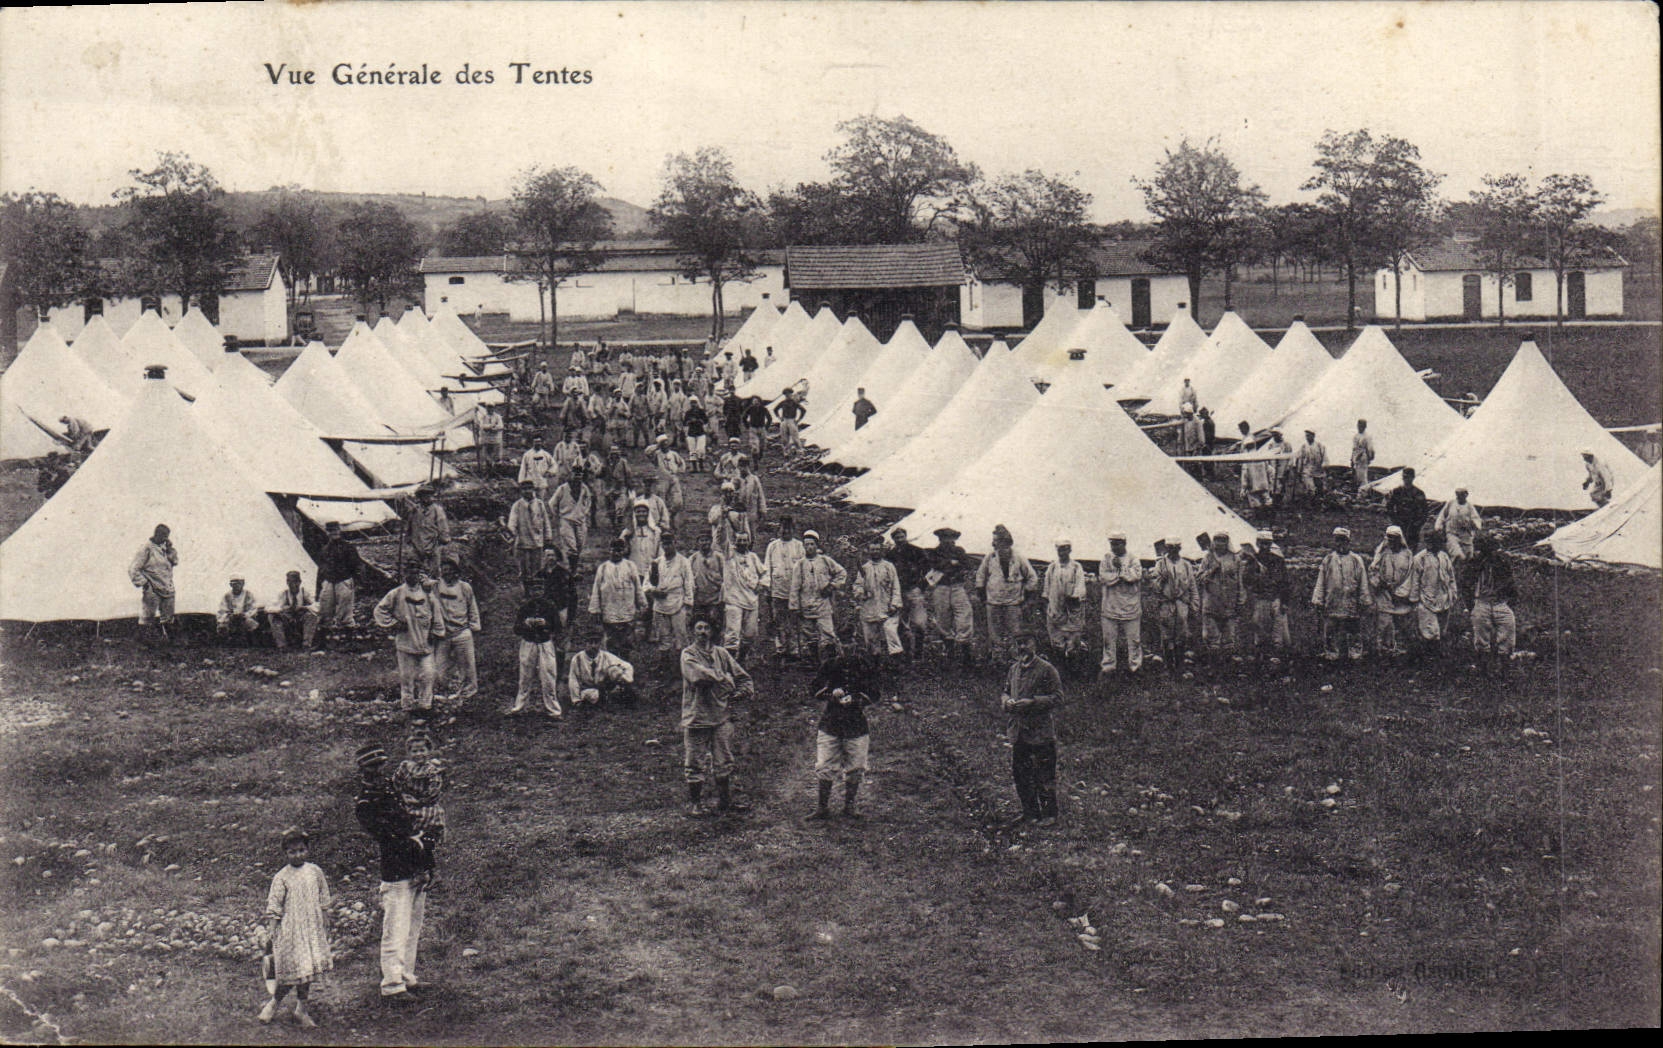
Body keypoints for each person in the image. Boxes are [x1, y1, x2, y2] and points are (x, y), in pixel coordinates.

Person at [353, 744, 433, 1000]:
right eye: (371, 767)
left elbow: (410, 821)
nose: (377, 771)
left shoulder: (390, 788)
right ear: (362, 771)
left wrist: (424, 862)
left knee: (412, 926)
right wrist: (416, 850)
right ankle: (392, 984)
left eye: (380, 765)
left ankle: (407, 976)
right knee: (395, 928)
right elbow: (389, 836)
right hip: (397, 866)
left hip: (414, 861)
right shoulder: (365, 802)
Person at [679, 619, 755, 817]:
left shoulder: (721, 653)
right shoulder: (688, 654)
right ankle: (696, 804)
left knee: (724, 760)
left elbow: (743, 677)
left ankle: (725, 802)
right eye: (699, 628)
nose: (703, 632)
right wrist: (723, 678)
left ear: (713, 631)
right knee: (695, 761)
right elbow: (698, 676)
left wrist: (740, 691)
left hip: (721, 716)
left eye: (707, 628)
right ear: (693, 631)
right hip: (696, 717)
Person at [258, 829, 332, 1027]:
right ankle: (274, 1003)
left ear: (307, 849)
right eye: (292, 852)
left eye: (301, 850)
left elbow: (324, 895)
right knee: (290, 972)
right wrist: (272, 929)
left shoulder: (315, 871)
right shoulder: (282, 877)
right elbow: (274, 905)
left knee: (306, 971)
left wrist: (325, 916)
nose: (297, 855)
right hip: (291, 930)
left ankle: (302, 1008)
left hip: (311, 928)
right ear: (286, 853)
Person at [1001, 631, 1061, 827]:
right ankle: (1030, 812)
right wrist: (1007, 702)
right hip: (1019, 732)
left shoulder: (1047, 670)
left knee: (1044, 775)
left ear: (1035, 644)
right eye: (1018, 643)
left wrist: (1033, 702)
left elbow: (1058, 697)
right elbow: (1006, 691)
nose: (1021, 647)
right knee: (1021, 775)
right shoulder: (1014, 669)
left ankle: (1049, 814)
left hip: (1041, 732)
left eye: (1025, 643)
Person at [808, 651, 877, 820]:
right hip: (831, 722)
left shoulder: (864, 665)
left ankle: (849, 806)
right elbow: (814, 689)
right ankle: (822, 807)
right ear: (838, 643)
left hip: (855, 723)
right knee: (825, 764)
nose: (848, 647)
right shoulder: (829, 665)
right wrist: (831, 694)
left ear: (855, 641)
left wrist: (856, 699)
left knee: (856, 764)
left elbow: (875, 692)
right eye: (844, 642)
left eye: (851, 641)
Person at [373, 565, 444, 714]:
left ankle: (426, 705)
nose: (413, 575)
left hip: (425, 641)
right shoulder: (397, 593)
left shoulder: (427, 594)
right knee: (406, 676)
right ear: (405, 574)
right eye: (410, 572)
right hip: (406, 641)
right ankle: (407, 706)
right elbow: (380, 610)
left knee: (429, 673)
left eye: (416, 572)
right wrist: (393, 623)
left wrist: (435, 632)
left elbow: (437, 613)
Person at [509, 570, 568, 719]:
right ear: (530, 591)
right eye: (534, 589)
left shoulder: (550, 606)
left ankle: (554, 710)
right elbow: (516, 629)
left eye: (540, 589)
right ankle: (519, 707)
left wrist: (546, 624)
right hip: (528, 644)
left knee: (548, 676)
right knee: (525, 676)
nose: (537, 592)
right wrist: (525, 624)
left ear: (544, 590)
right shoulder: (525, 607)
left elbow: (558, 628)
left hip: (545, 644)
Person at [977, 527, 1039, 664]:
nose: (997, 546)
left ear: (1008, 543)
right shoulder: (990, 558)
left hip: (1013, 602)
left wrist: (1027, 596)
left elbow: (1032, 577)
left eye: (1000, 542)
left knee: (1015, 632)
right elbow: (980, 577)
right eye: (995, 543)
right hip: (993, 602)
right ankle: (997, 658)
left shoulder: (1019, 558)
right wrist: (982, 596)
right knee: (994, 632)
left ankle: (1016, 659)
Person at [1311, 527, 1370, 660]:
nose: (1340, 544)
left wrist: (1363, 599)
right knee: (1331, 629)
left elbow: (1363, 581)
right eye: (1337, 541)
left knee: (1354, 628)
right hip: (1333, 600)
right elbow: (1321, 581)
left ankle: (1355, 653)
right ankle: (1331, 654)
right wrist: (1319, 599)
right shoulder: (1328, 559)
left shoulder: (1356, 560)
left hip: (1351, 601)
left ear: (1348, 542)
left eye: (1343, 541)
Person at [791, 530, 848, 664]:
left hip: (823, 604)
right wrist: (795, 606)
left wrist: (831, 586)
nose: (809, 547)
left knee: (827, 633)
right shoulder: (799, 565)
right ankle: (814, 662)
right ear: (803, 547)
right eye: (806, 545)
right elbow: (795, 587)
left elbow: (842, 573)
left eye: (812, 544)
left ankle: (834, 661)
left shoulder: (825, 560)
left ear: (816, 545)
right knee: (810, 635)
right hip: (806, 604)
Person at [392, 730, 447, 871]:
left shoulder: (431, 770)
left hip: (425, 805)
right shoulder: (405, 767)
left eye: (422, 750)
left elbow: (434, 790)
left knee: (427, 824)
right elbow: (396, 782)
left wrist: (421, 801)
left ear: (429, 751)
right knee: (404, 827)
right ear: (409, 753)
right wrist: (403, 795)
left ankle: (427, 855)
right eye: (414, 751)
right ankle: (411, 857)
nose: (418, 754)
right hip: (408, 803)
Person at [1465, 532, 1517, 676]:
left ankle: (1504, 671)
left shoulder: (1502, 563)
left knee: (1507, 636)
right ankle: (1484, 671)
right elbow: (1466, 583)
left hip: (1500, 603)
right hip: (1482, 602)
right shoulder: (1476, 563)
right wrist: (1471, 605)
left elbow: (1511, 584)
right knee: (1481, 639)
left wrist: (1509, 602)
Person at [432, 560, 481, 706]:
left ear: (455, 571)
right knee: (440, 666)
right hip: (443, 634)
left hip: (462, 631)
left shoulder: (464, 587)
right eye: (443, 570)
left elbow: (472, 607)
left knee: (467, 665)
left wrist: (474, 626)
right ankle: (445, 692)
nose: (446, 572)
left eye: (449, 570)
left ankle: (468, 693)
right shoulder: (435, 586)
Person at [647, 531, 696, 670]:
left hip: (678, 603)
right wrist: (653, 590)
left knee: (681, 635)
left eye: (670, 543)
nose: (667, 546)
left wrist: (688, 604)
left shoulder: (683, 562)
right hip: (660, 604)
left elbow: (689, 583)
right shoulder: (656, 562)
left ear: (675, 543)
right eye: (665, 543)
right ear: (661, 545)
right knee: (663, 635)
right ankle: (664, 664)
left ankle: (685, 664)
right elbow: (647, 582)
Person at [1407, 524, 1459, 654]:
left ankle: (1438, 657)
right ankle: (1430, 657)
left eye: (1434, 542)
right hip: (1427, 600)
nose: (1430, 545)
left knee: (1441, 630)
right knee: (1431, 632)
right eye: (1428, 542)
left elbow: (1451, 576)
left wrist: (1453, 593)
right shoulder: (1420, 558)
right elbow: (1415, 580)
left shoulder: (1444, 557)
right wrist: (1414, 600)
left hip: (1444, 599)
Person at [589, 537, 646, 655]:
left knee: (627, 643)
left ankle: (625, 666)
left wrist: (642, 604)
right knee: (612, 643)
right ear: (609, 550)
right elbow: (596, 590)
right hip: (609, 612)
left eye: (619, 550)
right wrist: (595, 610)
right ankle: (613, 667)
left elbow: (638, 587)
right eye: (614, 550)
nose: (616, 553)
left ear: (624, 551)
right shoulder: (603, 568)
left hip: (627, 611)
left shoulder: (630, 566)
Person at [1097, 532, 1143, 676]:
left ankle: (1135, 667)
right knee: (1108, 640)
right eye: (1112, 544)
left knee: (1134, 640)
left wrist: (1120, 570)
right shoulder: (1106, 558)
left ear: (1124, 543)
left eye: (1117, 544)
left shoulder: (1133, 559)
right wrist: (1120, 576)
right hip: (1110, 606)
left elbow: (1135, 576)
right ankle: (1108, 667)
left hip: (1130, 607)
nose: (1114, 547)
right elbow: (1104, 577)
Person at [852, 538, 904, 664]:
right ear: (869, 551)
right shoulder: (864, 568)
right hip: (869, 607)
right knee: (871, 637)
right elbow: (857, 586)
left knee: (890, 632)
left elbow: (896, 586)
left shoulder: (888, 566)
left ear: (881, 550)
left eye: (877, 549)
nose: (875, 552)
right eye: (872, 549)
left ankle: (896, 662)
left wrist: (895, 603)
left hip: (887, 606)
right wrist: (861, 593)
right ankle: (875, 663)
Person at [930, 527, 976, 665]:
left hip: (957, 586)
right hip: (941, 587)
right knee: (943, 618)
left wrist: (952, 565)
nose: (948, 541)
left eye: (951, 538)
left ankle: (965, 653)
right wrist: (951, 563)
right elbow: (934, 564)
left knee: (964, 616)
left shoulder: (959, 551)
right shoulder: (935, 552)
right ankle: (949, 653)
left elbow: (968, 564)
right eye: (945, 538)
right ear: (940, 539)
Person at [1151, 537, 1199, 665]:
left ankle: (1179, 663)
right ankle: (1168, 663)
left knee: (1181, 633)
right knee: (1166, 633)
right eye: (1170, 547)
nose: (1173, 550)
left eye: (1175, 547)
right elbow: (1155, 587)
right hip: (1166, 603)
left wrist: (1194, 604)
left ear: (1180, 548)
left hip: (1182, 602)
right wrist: (1162, 579)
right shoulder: (1161, 564)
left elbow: (1192, 585)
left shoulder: (1186, 565)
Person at [1241, 531, 1291, 654]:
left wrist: (1285, 602)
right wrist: (1255, 573)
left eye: (1267, 544)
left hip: (1276, 599)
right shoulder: (1252, 561)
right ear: (1258, 544)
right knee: (1260, 629)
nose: (1265, 546)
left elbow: (1285, 582)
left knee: (1278, 631)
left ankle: (1277, 656)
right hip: (1260, 599)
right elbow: (1246, 580)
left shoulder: (1278, 560)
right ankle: (1261, 656)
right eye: (1262, 543)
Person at [1196, 532, 1245, 655]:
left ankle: (1228, 666)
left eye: (1223, 541)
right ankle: (1214, 663)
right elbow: (1199, 579)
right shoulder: (1208, 558)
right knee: (1212, 639)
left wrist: (1240, 600)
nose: (1220, 543)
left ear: (1227, 542)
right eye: (1217, 540)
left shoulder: (1235, 559)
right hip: (1211, 602)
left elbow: (1240, 581)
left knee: (1229, 638)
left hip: (1229, 603)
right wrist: (1212, 570)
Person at [887, 527, 932, 660]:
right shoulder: (890, 555)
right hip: (898, 592)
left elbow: (929, 570)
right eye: (897, 538)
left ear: (906, 536)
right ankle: (907, 654)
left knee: (919, 623)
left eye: (902, 537)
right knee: (902, 624)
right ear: (893, 539)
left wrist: (922, 586)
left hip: (914, 590)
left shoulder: (916, 551)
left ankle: (919, 653)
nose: (900, 540)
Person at [763, 515, 806, 659]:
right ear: (779, 529)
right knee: (778, 619)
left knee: (794, 620)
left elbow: (803, 568)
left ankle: (794, 650)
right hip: (777, 589)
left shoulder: (799, 546)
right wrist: (767, 587)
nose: (785, 531)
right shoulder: (772, 546)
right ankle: (780, 649)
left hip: (794, 590)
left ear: (793, 530)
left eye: (788, 528)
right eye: (783, 528)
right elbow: (767, 567)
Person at [721, 531, 768, 659]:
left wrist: (761, 585)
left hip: (751, 601)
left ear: (748, 542)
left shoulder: (753, 557)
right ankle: (729, 664)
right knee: (732, 635)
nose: (742, 543)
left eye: (744, 540)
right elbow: (722, 538)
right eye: (739, 540)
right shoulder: (729, 555)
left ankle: (741, 659)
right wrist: (723, 518)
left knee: (750, 634)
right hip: (734, 600)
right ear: (735, 542)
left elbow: (765, 573)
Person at [1370, 525, 1415, 656]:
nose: (1392, 541)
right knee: (1385, 622)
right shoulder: (1382, 553)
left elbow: (1410, 575)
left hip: (1401, 594)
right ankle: (1384, 650)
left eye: (1395, 538)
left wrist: (1400, 592)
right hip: (1384, 594)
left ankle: (1402, 650)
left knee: (1402, 622)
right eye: (1389, 538)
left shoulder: (1407, 555)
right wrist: (1380, 584)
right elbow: (1373, 570)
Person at [1042, 539, 1087, 661]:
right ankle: (1060, 662)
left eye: (1065, 548)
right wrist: (1048, 603)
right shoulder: (1052, 567)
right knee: (1057, 640)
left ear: (1070, 550)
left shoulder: (1076, 567)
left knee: (1073, 639)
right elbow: (1047, 588)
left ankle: (1073, 662)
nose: (1062, 552)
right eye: (1060, 549)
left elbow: (1080, 586)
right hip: (1055, 608)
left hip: (1072, 609)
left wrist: (1074, 597)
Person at [505, 481, 555, 590]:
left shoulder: (539, 504)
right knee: (524, 568)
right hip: (522, 542)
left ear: (533, 490)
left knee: (537, 567)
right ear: (521, 491)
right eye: (524, 489)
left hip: (537, 542)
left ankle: (536, 590)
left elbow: (545, 521)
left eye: (529, 488)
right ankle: (527, 590)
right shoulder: (517, 506)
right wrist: (511, 533)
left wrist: (548, 536)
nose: (527, 491)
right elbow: (512, 522)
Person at [129, 523, 179, 634]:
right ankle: (145, 642)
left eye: (167, 536)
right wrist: (144, 583)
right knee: (147, 617)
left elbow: (175, 561)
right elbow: (133, 569)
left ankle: (168, 642)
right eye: (163, 535)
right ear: (156, 534)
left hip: (167, 587)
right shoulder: (146, 548)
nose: (165, 538)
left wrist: (170, 549)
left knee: (168, 616)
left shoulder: (166, 548)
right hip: (152, 588)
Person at [567, 630, 637, 707]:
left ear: (600, 644)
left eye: (596, 643)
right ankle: (607, 699)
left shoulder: (606, 656)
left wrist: (627, 680)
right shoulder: (577, 659)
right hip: (588, 689)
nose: (593, 646)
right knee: (592, 696)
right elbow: (573, 679)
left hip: (605, 686)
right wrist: (576, 700)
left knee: (615, 670)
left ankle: (621, 692)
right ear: (585, 644)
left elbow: (627, 666)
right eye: (590, 643)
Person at [316, 523, 364, 634]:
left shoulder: (348, 547)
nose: (334, 533)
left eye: (336, 530)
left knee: (345, 611)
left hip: (344, 581)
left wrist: (358, 582)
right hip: (328, 581)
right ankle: (325, 639)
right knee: (325, 610)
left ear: (340, 530)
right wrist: (318, 587)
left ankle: (348, 639)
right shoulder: (324, 549)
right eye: (331, 531)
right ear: (327, 532)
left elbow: (358, 565)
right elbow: (321, 569)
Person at [548, 467, 593, 564]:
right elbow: (552, 503)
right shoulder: (563, 489)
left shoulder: (584, 488)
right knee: (571, 547)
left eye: (580, 474)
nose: (577, 477)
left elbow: (588, 501)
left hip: (580, 521)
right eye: (575, 474)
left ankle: (573, 566)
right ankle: (572, 570)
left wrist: (584, 512)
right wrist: (557, 516)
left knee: (580, 545)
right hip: (566, 520)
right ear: (571, 475)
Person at [270, 570, 321, 651]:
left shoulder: (305, 592)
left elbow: (317, 606)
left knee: (311, 616)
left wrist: (305, 607)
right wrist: (282, 609)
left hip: (301, 621)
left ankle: (306, 645)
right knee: (273, 616)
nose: (293, 585)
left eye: (295, 582)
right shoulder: (284, 593)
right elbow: (270, 607)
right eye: (290, 582)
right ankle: (282, 646)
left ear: (300, 582)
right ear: (287, 583)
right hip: (288, 621)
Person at [406, 487, 450, 579]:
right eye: (424, 496)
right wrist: (408, 538)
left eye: (429, 495)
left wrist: (444, 539)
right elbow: (409, 526)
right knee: (415, 569)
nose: (427, 498)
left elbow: (443, 526)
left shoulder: (437, 510)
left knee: (434, 570)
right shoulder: (415, 510)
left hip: (433, 544)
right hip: (417, 544)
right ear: (420, 497)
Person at [1386, 467, 1429, 550]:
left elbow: (1425, 511)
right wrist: (1394, 520)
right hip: (1399, 523)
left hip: (1413, 525)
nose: (1406, 479)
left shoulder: (1419, 493)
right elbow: (1389, 507)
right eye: (1404, 477)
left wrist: (1418, 524)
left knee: (1411, 548)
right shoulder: (1397, 491)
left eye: (1408, 477)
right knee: (1396, 547)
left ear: (1413, 478)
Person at [1434, 487, 1483, 561]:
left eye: (1462, 494)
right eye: (1457, 494)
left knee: (1469, 557)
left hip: (1466, 536)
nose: (1459, 496)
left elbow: (1476, 519)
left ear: (1466, 495)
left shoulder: (1470, 507)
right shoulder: (1451, 503)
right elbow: (1442, 516)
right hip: (1452, 534)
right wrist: (1438, 527)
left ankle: (1462, 571)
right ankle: (1452, 570)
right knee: (1458, 556)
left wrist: (1475, 525)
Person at [621, 501, 662, 577]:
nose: (641, 514)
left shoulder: (656, 531)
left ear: (648, 513)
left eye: (644, 511)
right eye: (638, 512)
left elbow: (660, 553)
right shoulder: (627, 532)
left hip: (651, 572)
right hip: (632, 572)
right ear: (634, 514)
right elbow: (621, 551)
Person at [217, 574, 259, 645]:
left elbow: (253, 609)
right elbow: (222, 610)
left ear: (243, 584)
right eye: (233, 584)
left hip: (245, 618)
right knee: (223, 627)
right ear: (230, 585)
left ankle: (248, 641)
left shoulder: (248, 595)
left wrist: (245, 615)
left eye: (238, 583)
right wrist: (227, 616)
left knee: (249, 625)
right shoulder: (227, 596)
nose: (236, 586)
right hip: (230, 619)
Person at [652, 436, 687, 522]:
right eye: (663, 443)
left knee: (678, 501)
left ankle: (671, 514)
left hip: (673, 478)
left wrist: (678, 471)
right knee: (661, 500)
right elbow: (647, 452)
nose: (665, 445)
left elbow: (681, 463)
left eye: (666, 442)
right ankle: (662, 519)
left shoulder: (673, 454)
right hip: (662, 479)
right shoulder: (657, 454)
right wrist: (656, 446)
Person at [1293, 429, 1327, 505]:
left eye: (1309, 435)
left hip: (1318, 470)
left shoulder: (1319, 445)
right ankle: (1311, 504)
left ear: (1313, 436)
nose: (1307, 437)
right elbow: (1299, 458)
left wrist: (1324, 466)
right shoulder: (1304, 446)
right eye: (1306, 436)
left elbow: (1325, 458)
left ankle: (1319, 504)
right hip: (1307, 469)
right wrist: (1298, 470)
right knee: (1310, 488)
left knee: (1319, 487)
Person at [737, 456, 767, 526]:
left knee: (752, 532)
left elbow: (760, 495)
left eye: (744, 466)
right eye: (740, 466)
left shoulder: (754, 479)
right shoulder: (736, 479)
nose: (742, 469)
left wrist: (763, 510)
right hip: (739, 512)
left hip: (752, 511)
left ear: (748, 466)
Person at [774, 388, 805, 454]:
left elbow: (803, 410)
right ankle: (786, 452)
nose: (788, 395)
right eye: (786, 394)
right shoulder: (783, 403)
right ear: (785, 395)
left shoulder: (794, 403)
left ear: (791, 394)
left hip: (792, 420)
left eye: (789, 394)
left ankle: (799, 451)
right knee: (784, 438)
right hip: (784, 421)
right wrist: (779, 417)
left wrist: (798, 420)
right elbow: (775, 409)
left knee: (795, 437)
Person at [684, 395, 710, 471]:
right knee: (692, 450)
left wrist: (698, 420)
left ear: (697, 403)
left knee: (701, 449)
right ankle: (694, 467)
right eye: (692, 403)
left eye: (694, 403)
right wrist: (690, 421)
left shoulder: (701, 411)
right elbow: (685, 422)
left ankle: (701, 467)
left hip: (700, 432)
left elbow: (705, 421)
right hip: (691, 433)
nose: (693, 404)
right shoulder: (688, 412)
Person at [475, 403, 504, 468]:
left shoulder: (497, 416)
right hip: (487, 439)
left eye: (491, 407)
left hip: (496, 439)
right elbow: (482, 426)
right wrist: (491, 426)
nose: (490, 409)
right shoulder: (484, 417)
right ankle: (489, 470)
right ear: (486, 408)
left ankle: (497, 471)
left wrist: (493, 428)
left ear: (493, 408)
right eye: (488, 407)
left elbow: (501, 426)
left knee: (497, 456)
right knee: (487, 456)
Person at [1351, 419, 1375, 495]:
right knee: (1357, 475)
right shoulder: (1356, 436)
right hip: (1356, 456)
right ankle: (1360, 491)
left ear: (1364, 427)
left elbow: (1370, 448)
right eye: (1358, 425)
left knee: (1363, 476)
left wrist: (1369, 458)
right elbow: (1354, 449)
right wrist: (1352, 459)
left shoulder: (1367, 436)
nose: (1359, 427)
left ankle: (1363, 493)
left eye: (1361, 426)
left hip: (1363, 457)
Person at [1178, 406, 1205, 477]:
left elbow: (1201, 437)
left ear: (1190, 413)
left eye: (1186, 414)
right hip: (1188, 447)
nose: (1185, 415)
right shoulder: (1186, 421)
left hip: (1196, 447)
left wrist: (1199, 447)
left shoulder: (1197, 422)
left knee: (1197, 463)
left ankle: (1199, 478)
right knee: (1189, 464)